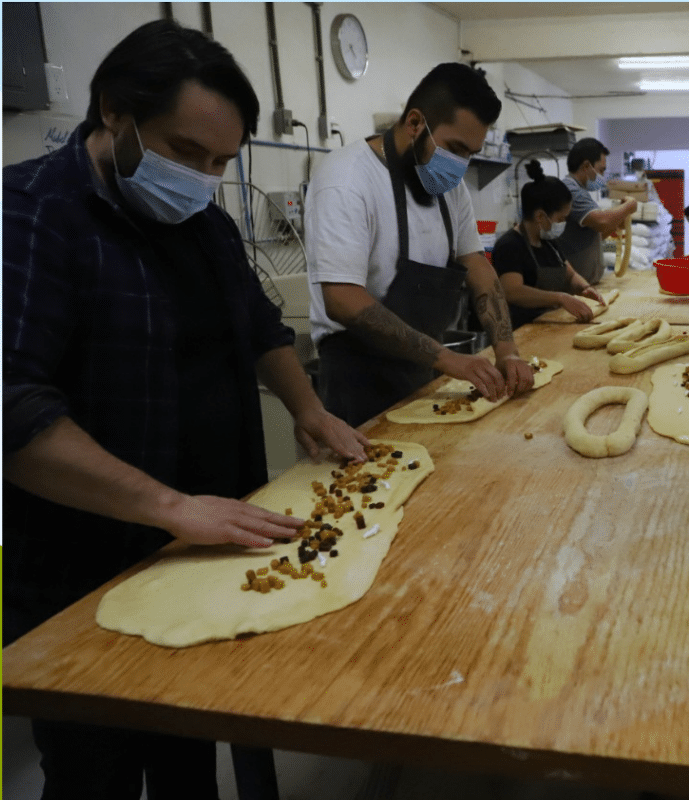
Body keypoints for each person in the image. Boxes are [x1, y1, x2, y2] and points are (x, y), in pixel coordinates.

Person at [3, 19, 368, 799]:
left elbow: (260, 328)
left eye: (221, 162)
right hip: (86, 562)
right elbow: (13, 407)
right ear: (113, 111)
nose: (202, 176)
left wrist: (307, 409)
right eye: (183, 151)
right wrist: (167, 505)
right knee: (94, 770)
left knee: (188, 753)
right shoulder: (30, 213)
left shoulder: (200, 219)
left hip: (209, 536)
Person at [306, 63, 534, 428]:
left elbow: (476, 265)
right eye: (455, 148)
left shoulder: (450, 188)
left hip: (423, 369)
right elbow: (342, 299)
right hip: (359, 380)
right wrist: (446, 358)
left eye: (470, 154)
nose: (460, 165)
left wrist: (507, 351)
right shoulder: (346, 180)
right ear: (415, 123)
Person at [492, 159, 607, 328]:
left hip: (551, 326)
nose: (563, 224)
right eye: (561, 219)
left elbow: (571, 275)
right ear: (540, 216)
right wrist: (560, 298)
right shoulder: (510, 246)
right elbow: (512, 291)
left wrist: (584, 287)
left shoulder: (549, 243)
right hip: (522, 331)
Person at [555, 137, 638, 285]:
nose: (602, 177)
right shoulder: (571, 191)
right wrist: (628, 207)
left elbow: (595, 234)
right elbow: (601, 221)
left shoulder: (578, 191)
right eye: (601, 170)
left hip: (584, 283)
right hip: (574, 286)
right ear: (586, 166)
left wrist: (616, 221)